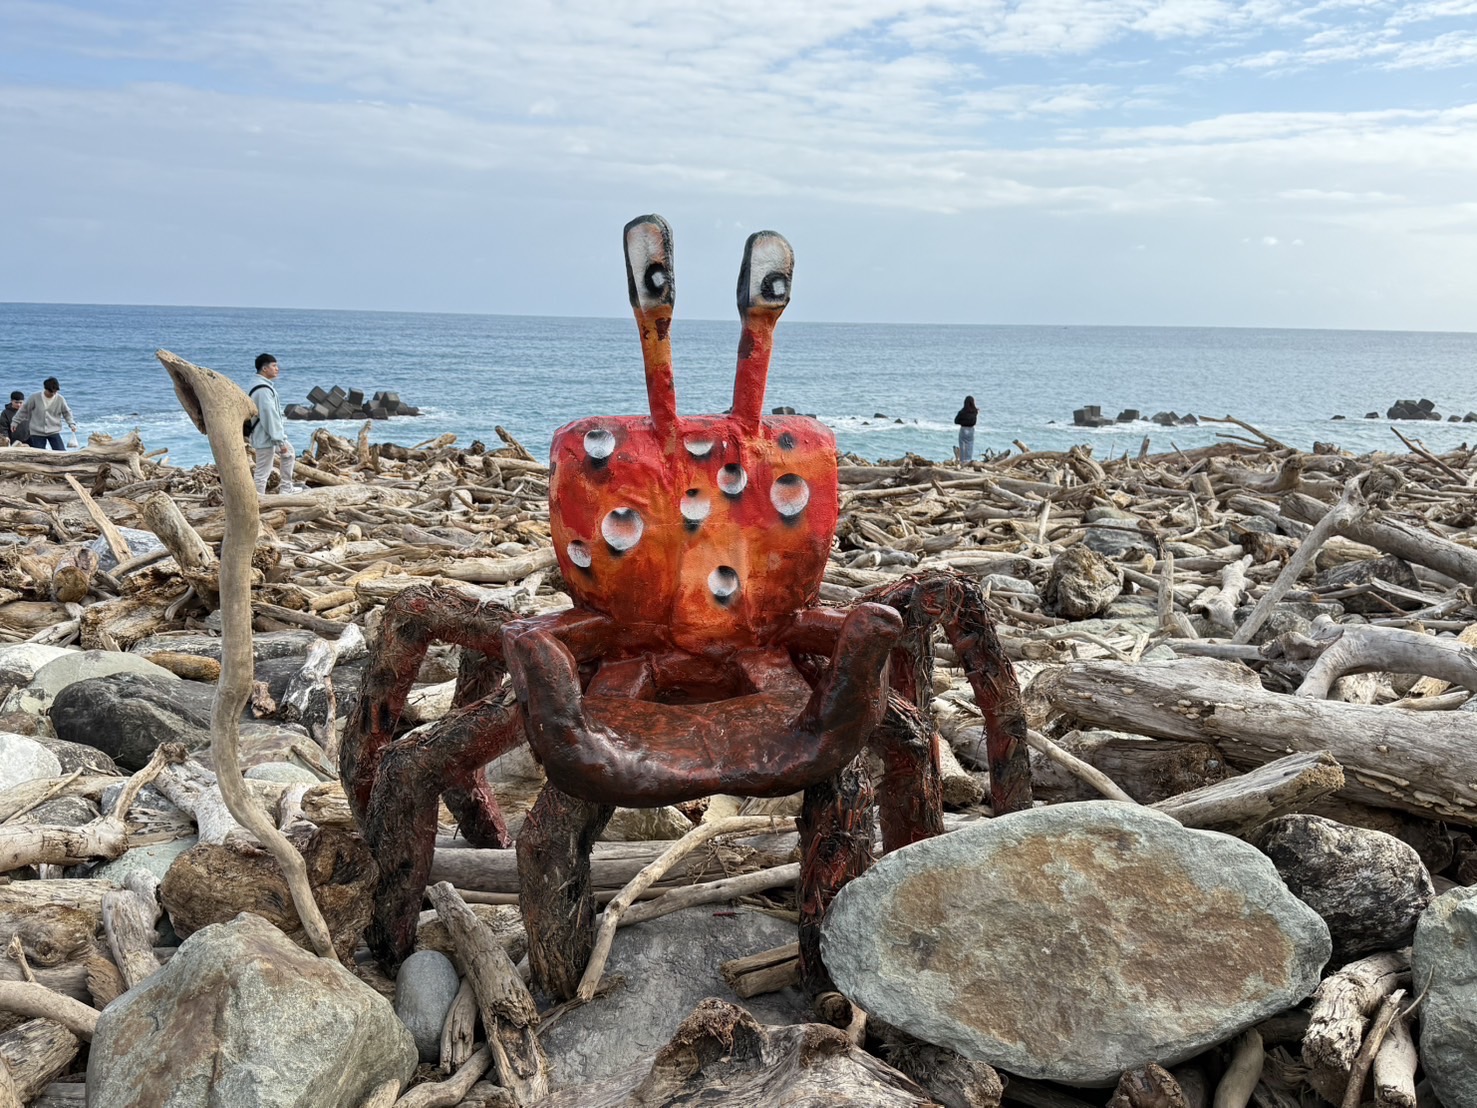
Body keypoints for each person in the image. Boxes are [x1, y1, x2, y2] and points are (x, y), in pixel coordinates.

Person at [247, 353, 299, 495]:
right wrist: (280, 442)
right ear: (264, 369)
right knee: (263, 471)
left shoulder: (260, 385)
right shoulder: (263, 389)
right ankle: (258, 499)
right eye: (274, 366)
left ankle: (286, 489)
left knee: (289, 454)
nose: (277, 369)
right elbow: (269, 416)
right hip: (265, 436)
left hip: (268, 435)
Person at [20, 378, 78, 451]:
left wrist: (72, 424)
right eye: (51, 392)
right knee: (39, 455)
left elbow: (67, 413)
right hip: (37, 432)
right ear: (45, 389)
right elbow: (24, 410)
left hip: (53, 430)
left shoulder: (60, 399)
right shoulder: (34, 397)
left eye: (55, 392)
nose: (53, 394)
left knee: (61, 452)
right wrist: (15, 422)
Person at [954, 395, 979, 464]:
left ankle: (962, 461)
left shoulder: (962, 412)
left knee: (962, 445)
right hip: (971, 429)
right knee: (970, 444)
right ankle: (968, 460)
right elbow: (974, 422)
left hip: (963, 428)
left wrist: (963, 422)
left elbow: (956, 421)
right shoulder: (975, 412)